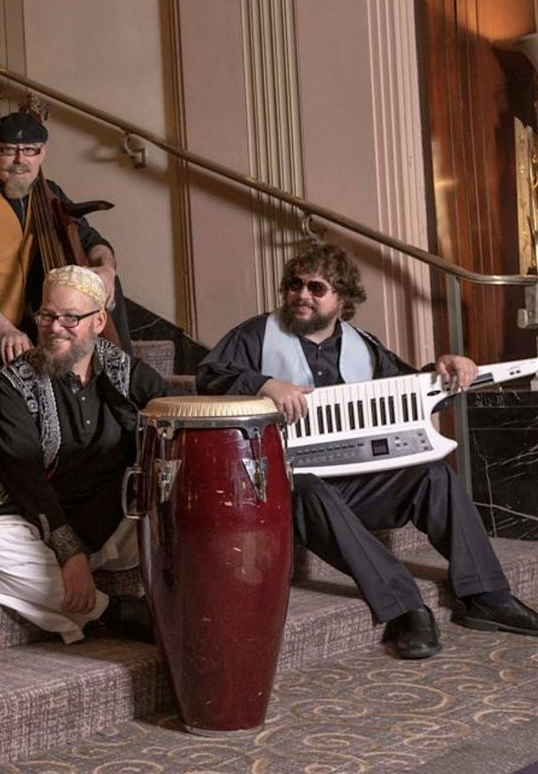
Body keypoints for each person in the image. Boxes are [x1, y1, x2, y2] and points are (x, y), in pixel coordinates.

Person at [196, 242, 538, 659]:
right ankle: (406, 608)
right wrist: (265, 384)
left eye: (316, 288)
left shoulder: (364, 345)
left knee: (432, 475)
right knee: (308, 489)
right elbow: (209, 376)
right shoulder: (256, 335)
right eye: (294, 285)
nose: (302, 294)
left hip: (356, 482)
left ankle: (487, 594)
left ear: (342, 298)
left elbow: (410, 392)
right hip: (287, 485)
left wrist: (446, 371)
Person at [0, 265, 176, 643]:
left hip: (111, 524)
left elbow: (177, 411)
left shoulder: (123, 371)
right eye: (47, 316)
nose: (55, 327)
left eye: (70, 317)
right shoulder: (8, 388)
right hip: (35, 523)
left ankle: (194, 602)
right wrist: (69, 553)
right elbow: (27, 482)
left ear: (98, 321)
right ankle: (114, 612)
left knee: (180, 500)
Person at [0, 111, 131, 364]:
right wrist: (5, 329)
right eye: (9, 150)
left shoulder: (49, 193)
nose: (19, 160)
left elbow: (93, 242)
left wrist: (107, 270)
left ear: (42, 153)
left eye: (29, 150)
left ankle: (121, 370)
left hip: (32, 318)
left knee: (105, 284)